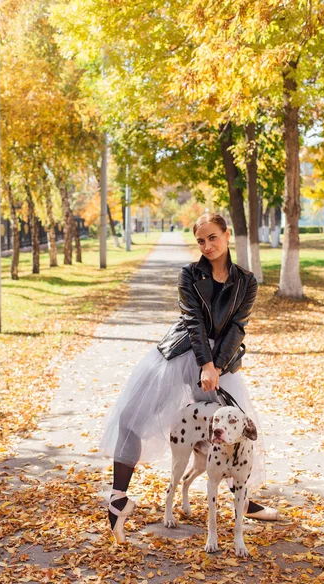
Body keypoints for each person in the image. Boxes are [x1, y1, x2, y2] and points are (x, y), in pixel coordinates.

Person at [100, 212, 278, 543]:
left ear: (227, 235)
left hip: (221, 362)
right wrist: (205, 363)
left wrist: (217, 366)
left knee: (236, 426)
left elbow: (237, 327)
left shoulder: (247, 281)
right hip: (181, 353)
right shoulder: (189, 274)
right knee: (130, 416)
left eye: (213, 237)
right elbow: (193, 321)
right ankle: (117, 499)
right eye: (200, 240)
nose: (207, 245)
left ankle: (245, 499)